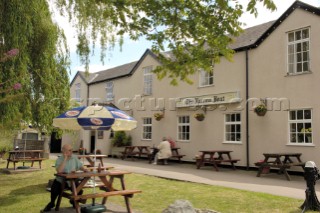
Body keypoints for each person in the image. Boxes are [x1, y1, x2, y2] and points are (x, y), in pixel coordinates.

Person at [41, 144, 87, 212]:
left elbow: (80, 165)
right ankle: (51, 203)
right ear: (64, 151)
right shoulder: (59, 159)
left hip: (72, 181)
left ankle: (73, 201)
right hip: (61, 181)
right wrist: (65, 158)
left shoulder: (74, 158)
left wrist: (85, 170)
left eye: (72, 150)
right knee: (54, 189)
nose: (72, 151)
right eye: (70, 150)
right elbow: (59, 171)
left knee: (79, 190)